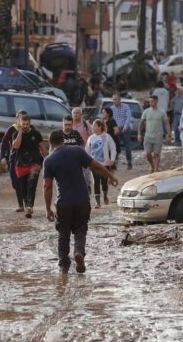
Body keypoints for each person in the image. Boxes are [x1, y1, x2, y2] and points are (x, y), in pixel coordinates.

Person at [43, 130, 118, 274]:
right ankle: (79, 253)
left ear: (51, 143)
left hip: (63, 203)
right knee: (80, 231)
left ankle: (64, 266)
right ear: (63, 140)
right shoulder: (77, 151)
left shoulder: (49, 160)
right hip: (82, 200)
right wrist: (110, 177)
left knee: (63, 235)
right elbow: (95, 165)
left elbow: (47, 186)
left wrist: (47, 209)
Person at [12, 114, 47, 218]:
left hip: (35, 163)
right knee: (23, 188)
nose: (25, 126)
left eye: (27, 124)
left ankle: (29, 207)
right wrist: (20, 132)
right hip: (21, 164)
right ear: (20, 124)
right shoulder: (15, 134)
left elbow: (43, 148)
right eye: (23, 124)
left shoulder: (36, 134)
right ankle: (27, 204)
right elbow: (16, 146)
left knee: (31, 184)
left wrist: (47, 160)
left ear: (30, 123)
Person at [85, 119, 117, 208]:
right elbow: (87, 151)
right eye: (92, 125)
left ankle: (105, 195)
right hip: (94, 164)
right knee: (96, 182)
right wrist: (86, 162)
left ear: (100, 127)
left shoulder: (107, 137)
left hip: (105, 164)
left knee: (104, 182)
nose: (93, 127)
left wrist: (112, 159)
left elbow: (113, 148)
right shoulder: (91, 138)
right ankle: (98, 202)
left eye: (94, 125)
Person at [1, 110, 27, 212]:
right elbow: (4, 143)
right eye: (20, 119)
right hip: (14, 160)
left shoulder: (30, 129)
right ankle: (21, 205)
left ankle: (27, 203)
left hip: (26, 160)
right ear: (17, 120)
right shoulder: (12, 129)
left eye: (24, 118)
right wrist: (3, 156)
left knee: (26, 182)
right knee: (16, 183)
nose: (21, 121)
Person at [139, 95, 171, 173]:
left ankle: (156, 170)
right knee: (148, 153)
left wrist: (168, 134)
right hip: (148, 135)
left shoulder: (162, 111)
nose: (151, 103)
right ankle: (152, 166)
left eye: (152, 101)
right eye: (150, 101)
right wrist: (139, 134)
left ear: (156, 101)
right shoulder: (146, 111)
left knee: (156, 154)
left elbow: (166, 123)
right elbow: (141, 123)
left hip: (158, 136)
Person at [110, 94, 133, 169]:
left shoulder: (125, 106)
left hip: (125, 128)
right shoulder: (111, 108)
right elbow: (110, 119)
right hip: (116, 128)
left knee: (127, 146)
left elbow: (128, 117)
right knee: (115, 145)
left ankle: (129, 162)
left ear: (120, 100)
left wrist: (126, 126)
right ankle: (114, 162)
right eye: (113, 99)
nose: (114, 101)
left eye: (116, 99)